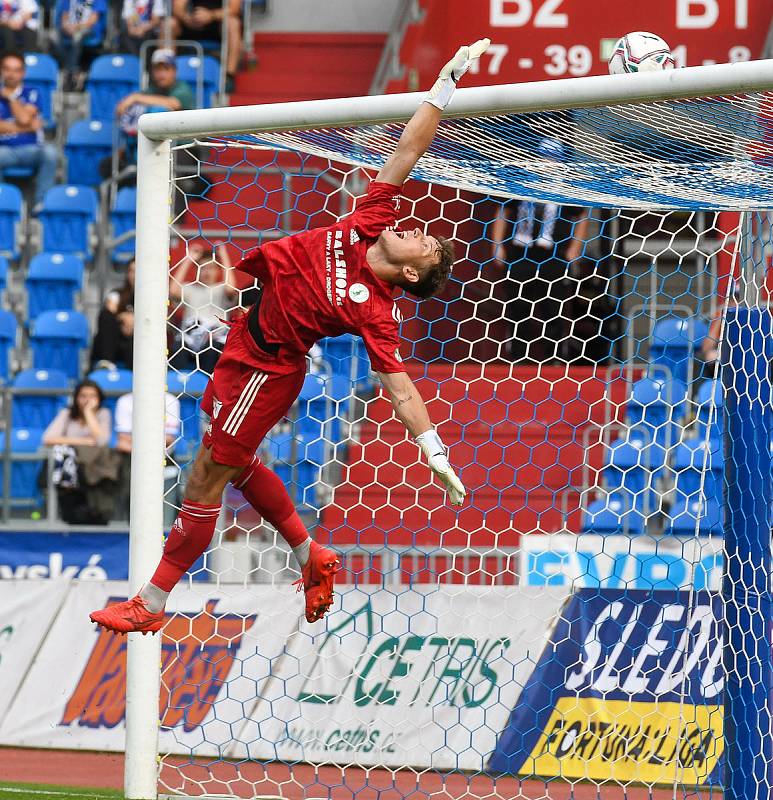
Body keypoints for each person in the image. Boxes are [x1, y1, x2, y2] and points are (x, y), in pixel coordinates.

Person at [89, 39, 488, 636]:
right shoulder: (369, 222)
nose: (416, 231)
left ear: (410, 273)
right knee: (232, 460)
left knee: (205, 477)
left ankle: (152, 601)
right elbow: (408, 149)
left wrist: (432, 451)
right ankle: (311, 557)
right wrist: (444, 85)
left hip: (267, 372)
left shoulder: (374, 308)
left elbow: (399, 387)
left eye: (425, 245)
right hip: (246, 342)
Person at [491, 138, 590, 363]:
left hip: (554, 255)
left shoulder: (567, 188)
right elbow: (502, 212)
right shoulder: (522, 183)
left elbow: (582, 215)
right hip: (521, 252)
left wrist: (575, 248)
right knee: (517, 307)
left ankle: (553, 359)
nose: (548, 163)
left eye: (553, 159)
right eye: (543, 157)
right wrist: (497, 246)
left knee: (553, 308)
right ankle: (517, 358)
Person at [43, 379, 117, 524]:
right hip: (72, 465)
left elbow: (102, 441)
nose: (87, 400)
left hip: (95, 465)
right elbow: (48, 438)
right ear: (76, 398)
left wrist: (88, 413)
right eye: (83, 396)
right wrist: (83, 442)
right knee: (62, 456)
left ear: (99, 398)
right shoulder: (67, 414)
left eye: (92, 396)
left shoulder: (103, 414)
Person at [0, 51, 57, 213]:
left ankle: (41, 204)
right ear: (1, 71)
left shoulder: (33, 92)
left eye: (16, 70)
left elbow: (24, 118)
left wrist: (10, 97)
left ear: (23, 73)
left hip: (32, 149)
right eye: (7, 69)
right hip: (3, 151)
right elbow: (27, 123)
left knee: (50, 153)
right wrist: (26, 127)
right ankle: (3, 201)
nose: (11, 74)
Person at [114, 390, 181, 527]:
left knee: (164, 513)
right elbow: (122, 441)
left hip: (165, 460)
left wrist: (137, 443)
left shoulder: (170, 400)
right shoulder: (125, 401)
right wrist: (152, 444)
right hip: (132, 461)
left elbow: (168, 439)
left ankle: (164, 533)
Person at [169, 241, 238, 374]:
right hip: (189, 338)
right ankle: (178, 387)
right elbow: (173, 291)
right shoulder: (190, 288)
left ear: (218, 270)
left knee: (214, 349)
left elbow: (231, 289)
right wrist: (188, 259)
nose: (206, 272)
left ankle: (207, 388)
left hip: (214, 338)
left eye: (211, 268)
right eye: (203, 268)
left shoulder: (221, 289)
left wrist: (223, 255)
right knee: (178, 347)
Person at [171, 0, 240, 91]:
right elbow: (177, 7)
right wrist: (187, 18)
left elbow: (234, 9)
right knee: (169, 24)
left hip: (218, 25)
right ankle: (166, 69)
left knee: (233, 22)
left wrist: (211, 15)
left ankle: (229, 76)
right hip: (191, 23)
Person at [90, 258, 135, 369]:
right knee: (106, 317)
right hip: (117, 341)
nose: (133, 275)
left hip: (137, 342)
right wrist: (124, 317)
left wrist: (135, 321)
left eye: (137, 270)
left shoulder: (152, 301)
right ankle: (106, 362)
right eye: (131, 270)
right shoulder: (118, 294)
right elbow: (110, 309)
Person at [54, 0, 107, 90]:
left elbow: (93, 20)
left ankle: (71, 74)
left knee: (77, 37)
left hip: (89, 30)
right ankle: (66, 71)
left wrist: (76, 27)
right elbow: (64, 18)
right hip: (70, 30)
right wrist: (67, 28)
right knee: (53, 36)